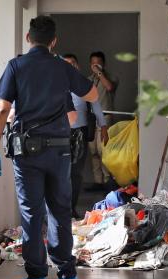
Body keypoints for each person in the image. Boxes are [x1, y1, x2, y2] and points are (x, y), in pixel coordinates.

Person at [0, 16, 98, 279]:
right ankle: (67, 274)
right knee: (60, 210)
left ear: (28, 37)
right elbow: (93, 94)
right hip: (60, 150)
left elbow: (2, 110)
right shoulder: (62, 66)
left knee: (32, 212)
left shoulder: (16, 65)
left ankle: (36, 276)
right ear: (54, 41)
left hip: (28, 153)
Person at [63, 54, 108, 219]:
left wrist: (103, 126)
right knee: (59, 173)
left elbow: (96, 105)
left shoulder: (83, 83)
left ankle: (71, 208)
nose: (70, 66)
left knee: (75, 173)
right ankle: (59, 210)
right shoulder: (53, 83)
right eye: (66, 64)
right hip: (57, 134)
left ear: (78, 66)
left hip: (80, 133)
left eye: (73, 63)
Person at [88, 51, 119, 190]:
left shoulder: (111, 77)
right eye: (93, 63)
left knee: (103, 151)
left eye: (98, 63)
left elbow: (109, 87)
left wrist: (100, 73)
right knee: (93, 151)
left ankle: (108, 181)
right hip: (91, 119)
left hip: (105, 118)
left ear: (103, 64)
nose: (95, 65)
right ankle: (98, 182)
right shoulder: (89, 79)